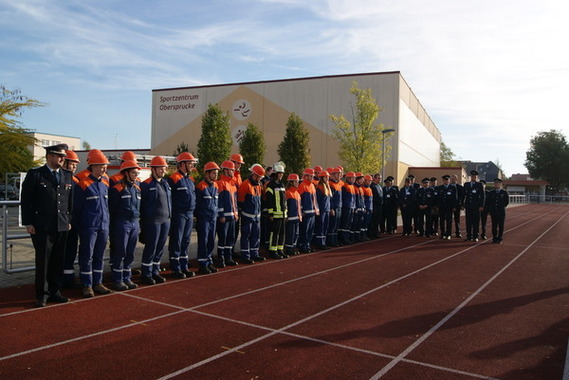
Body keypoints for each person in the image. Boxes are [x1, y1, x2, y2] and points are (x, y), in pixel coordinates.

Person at [21, 144, 73, 307]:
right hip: (42, 226)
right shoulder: (35, 174)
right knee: (43, 262)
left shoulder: (67, 175)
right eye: (59, 156)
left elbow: (70, 201)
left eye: (63, 156)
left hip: (61, 225)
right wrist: (28, 222)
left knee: (58, 261)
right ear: (49, 157)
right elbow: (26, 200)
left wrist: (68, 220)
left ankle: (55, 291)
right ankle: (41, 295)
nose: (62, 159)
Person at [73, 151, 112, 298]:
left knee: (99, 256)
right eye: (101, 166)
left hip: (103, 226)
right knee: (86, 256)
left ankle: (98, 282)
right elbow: (77, 209)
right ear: (93, 166)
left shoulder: (105, 183)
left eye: (105, 166)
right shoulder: (83, 184)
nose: (104, 169)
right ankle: (87, 284)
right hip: (89, 226)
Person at [108, 160, 141, 290]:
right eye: (133, 173)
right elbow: (112, 208)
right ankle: (117, 279)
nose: (136, 175)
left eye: (137, 173)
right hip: (122, 223)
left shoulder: (137, 189)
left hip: (134, 223)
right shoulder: (117, 188)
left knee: (130, 252)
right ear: (126, 173)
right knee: (120, 251)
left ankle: (127, 277)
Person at [140, 156, 171, 285]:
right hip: (152, 221)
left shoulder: (166, 183)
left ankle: (155, 271)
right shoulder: (146, 184)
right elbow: (141, 205)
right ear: (153, 169)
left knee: (160, 248)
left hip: (165, 221)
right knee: (151, 247)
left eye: (164, 169)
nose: (163, 171)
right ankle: (146, 273)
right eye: (160, 168)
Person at [167, 152, 197, 279]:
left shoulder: (190, 180)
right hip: (178, 214)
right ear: (182, 164)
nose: (191, 165)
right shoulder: (173, 179)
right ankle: (175, 267)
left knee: (186, 241)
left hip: (189, 215)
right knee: (176, 241)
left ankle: (184, 266)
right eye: (189, 163)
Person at [61, 149, 82, 289]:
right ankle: (58, 279)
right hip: (61, 222)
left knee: (71, 250)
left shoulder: (76, 181)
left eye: (76, 165)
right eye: (72, 164)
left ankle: (68, 278)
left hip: (73, 222)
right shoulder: (59, 178)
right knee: (60, 251)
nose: (74, 167)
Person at [238, 164, 266, 264]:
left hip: (256, 216)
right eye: (258, 177)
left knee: (255, 236)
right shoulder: (245, 184)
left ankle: (255, 254)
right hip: (247, 216)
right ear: (254, 174)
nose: (259, 179)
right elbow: (241, 200)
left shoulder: (259, 185)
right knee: (246, 235)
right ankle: (245, 255)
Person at [195, 162, 220, 274]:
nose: (216, 175)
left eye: (216, 173)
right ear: (207, 174)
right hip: (204, 219)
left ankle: (209, 262)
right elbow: (197, 204)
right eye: (214, 173)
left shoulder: (215, 186)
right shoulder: (201, 186)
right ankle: (202, 264)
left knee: (211, 241)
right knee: (203, 242)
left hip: (213, 218)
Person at [216, 160, 239, 267]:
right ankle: (221, 258)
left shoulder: (232, 183)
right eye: (231, 170)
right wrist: (221, 215)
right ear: (225, 170)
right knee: (223, 238)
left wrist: (236, 213)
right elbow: (219, 201)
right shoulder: (221, 183)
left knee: (230, 238)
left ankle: (228, 257)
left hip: (232, 216)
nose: (233, 172)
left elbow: (235, 200)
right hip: (224, 217)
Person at [265, 162, 287, 259]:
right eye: (279, 173)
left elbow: (284, 200)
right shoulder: (270, 185)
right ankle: (272, 251)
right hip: (275, 214)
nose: (281, 175)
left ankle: (279, 249)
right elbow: (269, 201)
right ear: (275, 174)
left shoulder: (281, 184)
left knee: (282, 233)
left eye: (282, 173)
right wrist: (271, 213)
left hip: (282, 214)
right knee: (274, 233)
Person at [297, 168, 319, 253]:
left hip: (312, 212)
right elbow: (300, 199)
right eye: (310, 176)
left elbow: (315, 199)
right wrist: (301, 211)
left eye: (312, 176)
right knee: (304, 231)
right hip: (306, 213)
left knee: (310, 230)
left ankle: (307, 245)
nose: (312, 177)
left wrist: (316, 210)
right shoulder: (302, 185)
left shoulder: (312, 185)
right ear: (306, 176)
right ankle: (303, 246)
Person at [463, 170, 486, 242]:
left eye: (475, 177)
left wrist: (481, 205)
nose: (473, 178)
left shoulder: (479, 185)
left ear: (477, 177)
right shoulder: (466, 184)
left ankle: (475, 236)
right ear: (470, 177)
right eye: (472, 176)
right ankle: (469, 236)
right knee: (468, 222)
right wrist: (462, 204)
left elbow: (482, 196)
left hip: (476, 207)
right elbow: (464, 195)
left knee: (476, 222)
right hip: (468, 206)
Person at [487, 178, 509, 243]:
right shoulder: (491, 192)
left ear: (500, 184)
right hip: (493, 212)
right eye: (495, 183)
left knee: (501, 226)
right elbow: (489, 202)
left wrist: (501, 207)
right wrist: (490, 210)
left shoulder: (504, 192)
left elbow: (506, 202)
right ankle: (494, 237)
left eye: (498, 183)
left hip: (501, 212)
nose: (496, 184)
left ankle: (500, 238)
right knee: (494, 226)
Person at [284, 173, 302, 256]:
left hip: (296, 217)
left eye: (298, 181)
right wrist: (286, 216)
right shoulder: (288, 193)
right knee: (290, 234)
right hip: (290, 218)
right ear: (291, 182)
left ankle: (293, 247)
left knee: (296, 234)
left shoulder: (297, 193)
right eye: (296, 182)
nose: (297, 183)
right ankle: (289, 248)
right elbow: (285, 205)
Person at [436, 174, 458, 240]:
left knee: (449, 221)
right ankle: (442, 234)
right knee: (442, 221)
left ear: (449, 180)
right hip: (441, 207)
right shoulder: (439, 188)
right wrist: (437, 206)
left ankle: (449, 234)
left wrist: (454, 206)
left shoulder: (453, 188)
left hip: (449, 207)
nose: (446, 181)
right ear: (443, 180)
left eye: (448, 180)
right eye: (445, 180)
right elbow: (437, 198)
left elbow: (455, 198)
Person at [315, 170, 332, 249]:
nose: (327, 178)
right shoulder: (320, 187)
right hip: (322, 209)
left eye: (328, 177)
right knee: (320, 226)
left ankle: (323, 242)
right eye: (326, 177)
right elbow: (318, 200)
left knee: (325, 226)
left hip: (326, 209)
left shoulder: (327, 186)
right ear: (322, 178)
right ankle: (320, 243)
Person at [327, 167, 343, 246]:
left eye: (340, 174)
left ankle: (335, 240)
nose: (339, 175)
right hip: (334, 207)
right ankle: (331, 241)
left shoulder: (338, 184)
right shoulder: (331, 184)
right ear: (333, 175)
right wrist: (331, 208)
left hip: (339, 206)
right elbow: (330, 198)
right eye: (337, 174)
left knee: (337, 225)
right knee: (332, 225)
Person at [339, 172, 356, 244]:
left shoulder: (352, 186)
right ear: (348, 178)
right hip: (346, 207)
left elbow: (354, 198)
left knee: (349, 223)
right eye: (352, 178)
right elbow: (344, 198)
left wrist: (354, 207)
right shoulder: (345, 186)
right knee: (345, 223)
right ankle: (343, 238)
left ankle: (347, 237)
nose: (354, 179)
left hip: (351, 207)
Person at [368, 173, 383, 239]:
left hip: (379, 206)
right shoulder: (372, 186)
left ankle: (376, 233)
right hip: (374, 205)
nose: (380, 179)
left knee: (377, 220)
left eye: (380, 178)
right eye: (378, 178)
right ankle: (371, 234)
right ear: (374, 178)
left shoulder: (379, 186)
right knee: (373, 220)